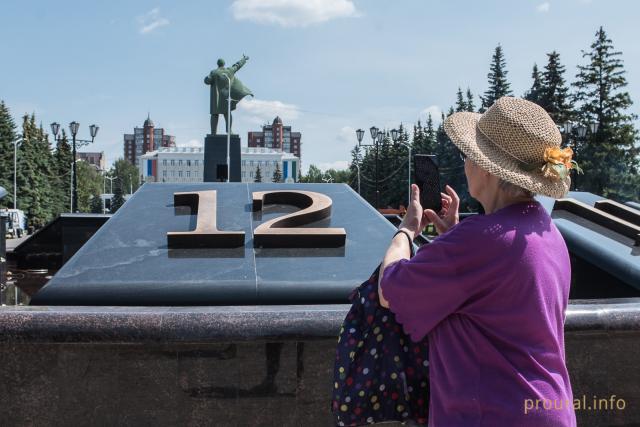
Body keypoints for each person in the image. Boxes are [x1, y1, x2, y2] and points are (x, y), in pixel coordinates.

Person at [377, 97, 577, 426]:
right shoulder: (545, 229)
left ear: (484, 166)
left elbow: (390, 289)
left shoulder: (478, 241)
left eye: (467, 154)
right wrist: (454, 235)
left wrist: (406, 231)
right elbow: (500, 289)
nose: (466, 163)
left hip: (493, 413)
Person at [204, 55, 253, 135]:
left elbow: (207, 81)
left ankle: (213, 132)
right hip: (226, 98)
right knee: (227, 114)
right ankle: (229, 130)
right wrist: (244, 59)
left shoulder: (214, 72)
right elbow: (237, 66)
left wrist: (207, 78)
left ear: (218, 64)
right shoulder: (229, 71)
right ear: (224, 64)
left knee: (214, 115)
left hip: (216, 99)